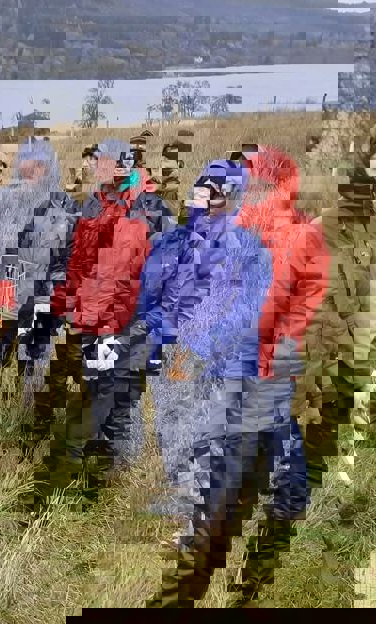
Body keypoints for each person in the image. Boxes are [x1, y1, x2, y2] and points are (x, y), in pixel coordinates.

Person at [144, 154, 327, 608]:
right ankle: (200, 543)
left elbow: (300, 301)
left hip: (268, 363)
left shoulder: (296, 233)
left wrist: (280, 342)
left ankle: (278, 516)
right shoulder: (243, 229)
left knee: (277, 451)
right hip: (236, 363)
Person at [27, 139, 174, 512]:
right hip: (96, 319)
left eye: (101, 160)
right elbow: (78, 261)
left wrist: (134, 325)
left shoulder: (150, 209)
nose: (95, 165)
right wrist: (59, 303)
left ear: (122, 165)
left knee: (112, 397)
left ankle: (110, 478)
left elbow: (160, 275)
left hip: (131, 324)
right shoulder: (93, 203)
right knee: (105, 391)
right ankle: (106, 473)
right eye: (94, 160)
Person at [0, 137, 80, 448]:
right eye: (25, 163)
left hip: (44, 304)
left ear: (48, 168)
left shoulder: (65, 208)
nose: (30, 170)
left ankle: (31, 434)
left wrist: (50, 297)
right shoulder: (2, 202)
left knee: (36, 368)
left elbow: (71, 261)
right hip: (2, 302)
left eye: (37, 165)